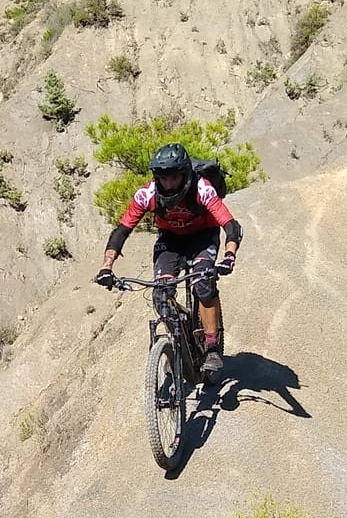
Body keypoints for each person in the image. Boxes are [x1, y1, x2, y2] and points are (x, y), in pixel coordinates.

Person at [95, 143, 243, 381]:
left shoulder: (202, 188)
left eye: (174, 177)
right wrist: (106, 266)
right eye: (163, 178)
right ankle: (177, 346)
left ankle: (212, 347)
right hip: (171, 240)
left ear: (185, 174)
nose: (168, 184)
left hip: (203, 236)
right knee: (161, 295)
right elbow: (121, 231)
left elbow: (230, 225)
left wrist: (229, 255)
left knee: (203, 285)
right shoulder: (148, 194)